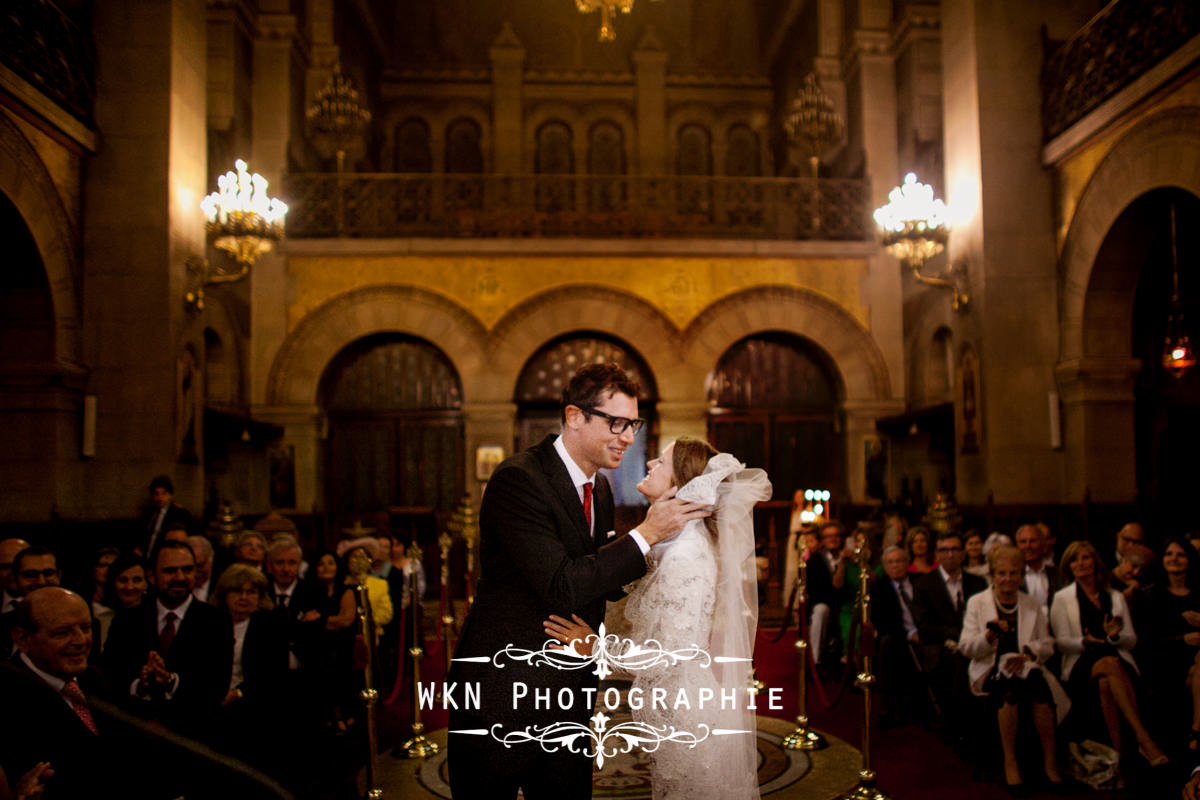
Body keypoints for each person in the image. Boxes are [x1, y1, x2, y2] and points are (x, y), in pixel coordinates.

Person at [447, 363, 707, 800]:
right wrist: (645, 534)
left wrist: (664, 554)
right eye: (617, 423)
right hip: (504, 691)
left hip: (569, 697)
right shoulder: (519, 479)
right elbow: (562, 585)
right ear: (574, 417)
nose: (628, 436)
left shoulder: (600, 489)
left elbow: (599, 579)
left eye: (633, 424)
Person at [544, 437, 771, 799]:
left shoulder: (684, 555)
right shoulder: (672, 542)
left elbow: (671, 653)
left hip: (686, 712)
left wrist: (596, 649)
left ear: (681, 485)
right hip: (674, 704)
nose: (650, 464)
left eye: (661, 462)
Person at [959, 545, 1069, 794]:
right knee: (1008, 691)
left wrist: (1029, 653)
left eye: (1013, 573)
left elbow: (1048, 644)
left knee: (1041, 690)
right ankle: (1011, 763)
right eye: (1002, 573)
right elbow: (966, 647)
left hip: (1028, 669)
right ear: (993, 575)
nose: (1007, 579)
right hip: (991, 671)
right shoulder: (977, 603)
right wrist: (988, 637)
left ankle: (1049, 763)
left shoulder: (1031, 604)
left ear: (1021, 575)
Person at [1050, 540, 1167, 767]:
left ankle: (1120, 761)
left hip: (1117, 661)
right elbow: (1062, 643)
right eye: (1075, 559)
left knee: (1107, 681)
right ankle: (1143, 739)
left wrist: (1113, 637)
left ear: (1095, 562)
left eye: (1086, 557)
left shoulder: (1115, 596)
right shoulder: (1062, 598)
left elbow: (1131, 640)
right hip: (1081, 663)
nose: (1080, 563)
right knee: (1109, 664)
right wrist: (1084, 641)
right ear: (1068, 566)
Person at [102, 541, 232, 740]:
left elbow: (216, 687)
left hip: (194, 739)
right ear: (152, 576)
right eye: (170, 571)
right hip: (135, 735)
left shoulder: (216, 621)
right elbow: (112, 676)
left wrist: (170, 682)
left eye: (187, 570)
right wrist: (141, 685)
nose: (180, 577)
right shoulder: (127, 620)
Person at [0, 587, 108, 800]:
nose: (80, 641)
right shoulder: (6, 696)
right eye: (62, 633)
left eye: (86, 628)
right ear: (22, 638)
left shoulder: (96, 679)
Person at [913, 530, 986, 750]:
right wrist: (957, 635)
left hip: (976, 644)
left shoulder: (977, 583)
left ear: (963, 553)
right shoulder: (924, 584)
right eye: (944, 550)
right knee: (956, 667)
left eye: (955, 549)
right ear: (936, 554)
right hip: (942, 647)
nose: (950, 555)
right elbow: (924, 628)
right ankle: (960, 731)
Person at [1138, 537, 1200, 749]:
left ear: (1190, 560)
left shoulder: (1199, 594)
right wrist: (1183, 639)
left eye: (1180, 554)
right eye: (1169, 554)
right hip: (1165, 662)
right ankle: (1196, 732)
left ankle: (1196, 729)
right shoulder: (1150, 595)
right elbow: (1146, 641)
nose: (1174, 559)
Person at [871, 545, 925, 727]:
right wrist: (911, 635)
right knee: (887, 643)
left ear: (907, 563)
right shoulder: (878, 588)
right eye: (890, 562)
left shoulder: (922, 582)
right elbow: (883, 622)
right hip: (898, 635)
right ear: (885, 566)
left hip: (927, 631)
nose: (895, 565)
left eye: (899, 561)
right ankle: (887, 704)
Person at [138, 475, 191, 557]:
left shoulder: (180, 513)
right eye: (156, 494)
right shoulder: (149, 512)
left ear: (170, 495)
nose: (160, 497)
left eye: (164, 493)